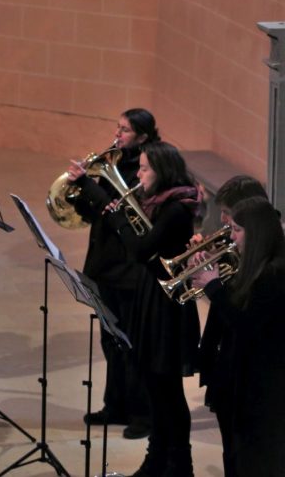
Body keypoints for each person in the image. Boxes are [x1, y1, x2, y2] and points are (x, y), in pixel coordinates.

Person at [105, 141, 201, 477]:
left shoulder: (175, 208)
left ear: (161, 170)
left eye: (145, 168)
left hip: (167, 306)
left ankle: (179, 465)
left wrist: (119, 220)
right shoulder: (159, 202)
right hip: (152, 297)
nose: (139, 173)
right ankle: (157, 459)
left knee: (168, 390)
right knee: (155, 387)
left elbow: (141, 249)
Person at [66, 108, 157, 439]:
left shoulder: (149, 168)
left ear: (144, 137)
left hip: (129, 269)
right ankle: (115, 405)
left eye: (125, 131)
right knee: (110, 340)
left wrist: (93, 187)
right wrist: (79, 192)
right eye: (117, 128)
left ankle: (143, 414)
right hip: (105, 265)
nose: (117, 135)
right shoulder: (113, 162)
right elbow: (97, 211)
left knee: (132, 343)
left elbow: (117, 210)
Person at [191, 196, 285, 476]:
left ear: (255, 233)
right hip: (242, 378)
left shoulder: (275, 273)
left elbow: (245, 325)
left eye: (237, 230)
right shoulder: (255, 264)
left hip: (263, 387)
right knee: (236, 453)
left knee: (255, 459)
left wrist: (214, 288)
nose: (231, 238)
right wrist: (215, 274)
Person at [195, 175, 268, 412]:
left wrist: (214, 284)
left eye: (227, 213)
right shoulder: (235, 240)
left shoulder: (266, 255)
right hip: (224, 351)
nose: (223, 220)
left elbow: (243, 311)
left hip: (247, 364)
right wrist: (204, 265)